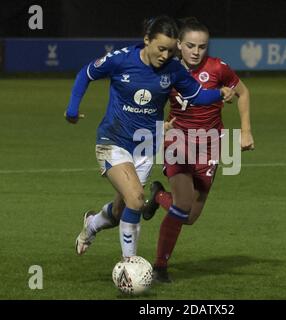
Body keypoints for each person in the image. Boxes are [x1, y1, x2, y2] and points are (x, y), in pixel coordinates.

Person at [66, 15, 235, 260]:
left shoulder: (173, 69)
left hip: (146, 146)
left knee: (119, 209)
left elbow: (196, 96)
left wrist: (219, 93)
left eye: (170, 50)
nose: (165, 55)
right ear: (147, 40)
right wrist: (72, 108)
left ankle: (92, 224)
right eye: (161, 48)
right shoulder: (121, 59)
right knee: (136, 199)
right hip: (113, 141)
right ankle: (130, 265)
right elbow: (86, 73)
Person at [141, 17, 255, 282]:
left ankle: (158, 195)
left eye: (202, 46)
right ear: (178, 44)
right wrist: (161, 126)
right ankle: (160, 268)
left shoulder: (218, 69)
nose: (196, 51)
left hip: (210, 146)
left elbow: (244, 93)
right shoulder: (164, 70)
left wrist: (246, 130)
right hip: (178, 142)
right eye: (190, 45)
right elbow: (149, 103)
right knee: (182, 203)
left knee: (190, 217)